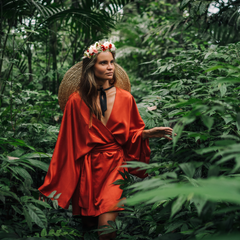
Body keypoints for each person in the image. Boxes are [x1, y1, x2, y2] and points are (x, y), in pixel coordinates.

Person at [38, 41, 174, 240]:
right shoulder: (76, 101)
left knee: (107, 226)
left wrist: (147, 133)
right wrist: (54, 182)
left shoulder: (126, 98)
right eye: (103, 63)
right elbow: (66, 144)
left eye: (112, 62)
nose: (110, 67)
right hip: (88, 168)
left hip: (115, 166)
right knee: (89, 224)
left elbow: (132, 134)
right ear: (91, 67)